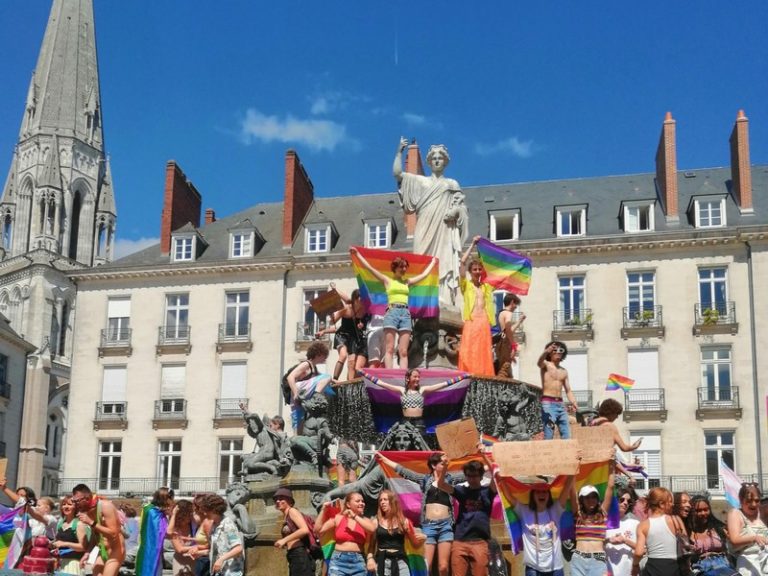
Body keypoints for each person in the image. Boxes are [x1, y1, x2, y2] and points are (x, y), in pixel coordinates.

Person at [394, 137, 468, 308]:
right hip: (424, 227)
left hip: (444, 228)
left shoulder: (452, 184)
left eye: (440, 158)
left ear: (445, 161)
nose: (436, 160)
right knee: (421, 260)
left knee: (443, 260)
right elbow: (397, 173)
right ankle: (423, 300)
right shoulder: (420, 181)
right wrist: (399, 152)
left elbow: (462, 208)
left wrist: (455, 212)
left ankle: (443, 297)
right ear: (429, 162)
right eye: (434, 158)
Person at [350, 247, 437, 369]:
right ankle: (390, 374)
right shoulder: (387, 281)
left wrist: (433, 263)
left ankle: (404, 376)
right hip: (392, 313)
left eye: (405, 267)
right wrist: (358, 254)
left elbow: (424, 275)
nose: (404, 269)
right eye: (401, 267)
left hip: (405, 314)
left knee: (403, 351)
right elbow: (370, 268)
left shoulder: (407, 282)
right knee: (389, 348)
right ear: (395, 268)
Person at [376, 452, 459, 576]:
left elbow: (472, 473)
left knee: (443, 567)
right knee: (426, 566)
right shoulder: (424, 479)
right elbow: (404, 471)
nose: (446, 464)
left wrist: (487, 460)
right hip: (429, 526)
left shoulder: (451, 479)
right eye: (442, 463)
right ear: (433, 465)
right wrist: (385, 460)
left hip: (445, 525)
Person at [437, 456, 497, 576]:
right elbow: (441, 485)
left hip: (480, 541)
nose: (472, 479)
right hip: (460, 540)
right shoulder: (462, 491)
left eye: (475, 476)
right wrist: (445, 467)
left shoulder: (488, 491)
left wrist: (484, 455)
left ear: (481, 476)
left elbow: (496, 474)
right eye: (469, 476)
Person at [503, 477, 575, 576]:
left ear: (549, 495)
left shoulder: (556, 510)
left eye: (545, 492)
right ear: (533, 495)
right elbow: (509, 497)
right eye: (538, 492)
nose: (542, 494)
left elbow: (567, 488)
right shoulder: (524, 512)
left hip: (556, 568)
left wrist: (572, 473)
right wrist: (500, 479)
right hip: (533, 569)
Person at [457, 236, 496, 376]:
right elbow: (462, 262)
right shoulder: (466, 285)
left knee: (483, 349)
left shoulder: (486, 287)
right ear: (470, 271)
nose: (478, 271)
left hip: (484, 320)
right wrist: (473, 244)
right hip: (472, 320)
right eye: (475, 269)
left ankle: (484, 374)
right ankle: (469, 373)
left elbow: (495, 272)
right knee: (469, 348)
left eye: (480, 269)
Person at [373, 368, 452, 433]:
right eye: (415, 377)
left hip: (419, 423)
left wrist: (458, 378)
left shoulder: (422, 390)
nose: (417, 379)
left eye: (418, 377)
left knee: (419, 443)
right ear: (408, 378)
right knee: (406, 444)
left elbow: (442, 385)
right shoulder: (402, 390)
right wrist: (366, 375)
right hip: (405, 423)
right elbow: (382, 384)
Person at [316, 492, 376, 576]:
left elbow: (372, 529)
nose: (361, 503)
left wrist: (354, 516)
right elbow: (318, 530)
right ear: (348, 504)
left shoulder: (366, 521)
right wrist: (323, 510)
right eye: (358, 501)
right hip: (338, 561)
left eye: (362, 501)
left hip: (358, 561)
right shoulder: (338, 518)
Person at [367, 489, 426, 576]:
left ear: (392, 501)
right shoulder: (376, 522)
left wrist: (423, 538)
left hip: (400, 562)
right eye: (380, 500)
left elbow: (415, 545)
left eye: (385, 499)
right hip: (382, 562)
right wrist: (370, 558)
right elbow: (371, 546)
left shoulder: (404, 522)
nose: (382, 502)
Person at [570, 465, 615, 576]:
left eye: (594, 496)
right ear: (581, 500)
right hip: (578, 560)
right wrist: (573, 466)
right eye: (587, 497)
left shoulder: (603, 514)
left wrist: (612, 464)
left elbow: (610, 486)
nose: (591, 500)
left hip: (598, 560)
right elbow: (572, 490)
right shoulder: (578, 515)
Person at [316, 285, 369, 380]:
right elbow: (333, 322)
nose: (362, 301)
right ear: (355, 299)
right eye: (360, 299)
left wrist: (362, 326)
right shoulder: (346, 309)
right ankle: (334, 380)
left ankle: (351, 382)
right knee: (343, 355)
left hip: (353, 338)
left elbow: (365, 325)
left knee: (352, 361)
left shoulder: (363, 311)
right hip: (342, 336)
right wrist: (332, 316)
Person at [72, 483, 125, 576]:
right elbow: (95, 536)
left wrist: (91, 522)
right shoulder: (88, 510)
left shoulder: (105, 506)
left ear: (87, 498)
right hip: (103, 550)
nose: (76, 504)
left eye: (77, 501)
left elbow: (114, 533)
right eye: (74, 501)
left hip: (116, 550)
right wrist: (87, 553)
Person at [632, 487, 682, 576]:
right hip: (673, 567)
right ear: (662, 504)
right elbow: (684, 544)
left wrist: (635, 566)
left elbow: (639, 553)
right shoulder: (675, 520)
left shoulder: (642, 525)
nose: (672, 504)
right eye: (670, 501)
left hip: (652, 568)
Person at [285, 341, 333, 433]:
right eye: (325, 355)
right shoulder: (306, 364)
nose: (326, 358)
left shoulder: (314, 368)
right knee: (327, 377)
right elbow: (290, 377)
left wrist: (334, 381)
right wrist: (296, 393)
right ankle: (316, 397)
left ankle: (297, 438)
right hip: (300, 391)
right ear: (318, 354)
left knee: (299, 426)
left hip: (301, 395)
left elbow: (323, 379)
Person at [685, 494, 737, 576]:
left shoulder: (719, 528)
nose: (703, 513)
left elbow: (734, 543)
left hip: (723, 566)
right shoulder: (687, 531)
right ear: (692, 512)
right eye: (698, 510)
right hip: (701, 569)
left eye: (706, 509)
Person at [537, 341, 578, 439]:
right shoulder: (546, 365)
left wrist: (574, 402)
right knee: (549, 433)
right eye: (555, 350)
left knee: (566, 434)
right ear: (550, 353)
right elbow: (539, 362)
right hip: (548, 404)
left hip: (560, 404)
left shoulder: (564, 371)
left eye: (561, 350)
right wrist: (546, 351)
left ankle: (566, 449)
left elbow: (568, 390)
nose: (558, 352)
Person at [726, 483, 768, 576]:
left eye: (757, 500)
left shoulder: (763, 514)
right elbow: (734, 540)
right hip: (748, 563)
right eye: (749, 501)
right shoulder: (735, 513)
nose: (753, 504)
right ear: (741, 500)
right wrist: (754, 538)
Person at [273, 488, 315, 576]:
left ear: (290, 501)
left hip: (300, 554)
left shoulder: (292, 511)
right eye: (276, 499)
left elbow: (304, 529)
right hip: (293, 554)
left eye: (281, 498)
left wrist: (284, 540)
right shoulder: (286, 516)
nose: (277, 501)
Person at [198, 494, 243, 576]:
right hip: (220, 572)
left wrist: (221, 559)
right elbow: (218, 550)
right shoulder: (214, 525)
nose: (204, 513)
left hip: (231, 572)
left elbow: (238, 548)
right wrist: (199, 553)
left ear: (214, 510)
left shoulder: (228, 525)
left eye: (206, 510)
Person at [52, 495, 91, 576]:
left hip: (73, 564)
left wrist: (65, 544)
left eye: (69, 504)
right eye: (64, 504)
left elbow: (83, 547)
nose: (66, 507)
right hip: (60, 563)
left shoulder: (79, 524)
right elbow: (58, 543)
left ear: (76, 508)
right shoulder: (60, 524)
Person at [606, 487, 641, 576]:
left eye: (628, 501)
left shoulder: (635, 523)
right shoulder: (604, 522)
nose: (625, 503)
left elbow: (642, 549)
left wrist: (625, 541)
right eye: (621, 500)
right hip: (607, 571)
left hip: (627, 571)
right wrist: (608, 540)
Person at [496, 293, 525, 378]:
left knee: (505, 370)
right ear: (512, 302)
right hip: (505, 343)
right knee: (504, 370)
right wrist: (513, 346)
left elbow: (507, 330)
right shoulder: (508, 313)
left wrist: (519, 321)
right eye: (516, 304)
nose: (516, 307)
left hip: (501, 343)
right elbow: (508, 330)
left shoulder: (501, 313)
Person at [167, 499, 196, 576]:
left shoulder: (192, 523)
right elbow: (179, 549)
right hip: (179, 562)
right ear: (183, 514)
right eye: (189, 513)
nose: (191, 515)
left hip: (193, 561)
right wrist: (174, 514)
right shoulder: (175, 528)